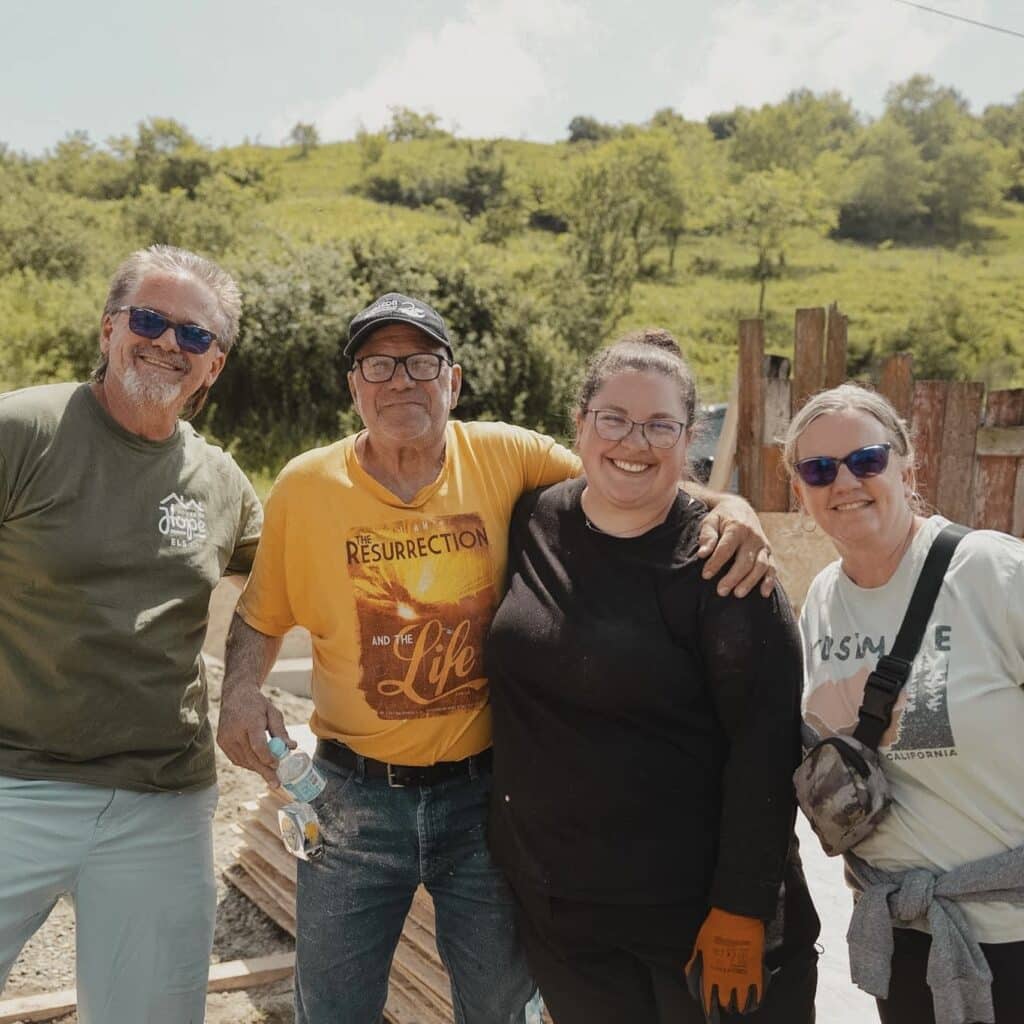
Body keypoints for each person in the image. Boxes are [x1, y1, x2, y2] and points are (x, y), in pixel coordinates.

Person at [216, 294, 778, 1024]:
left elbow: (631, 473)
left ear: (454, 382)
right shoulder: (305, 486)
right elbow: (259, 617)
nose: (401, 382)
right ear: (353, 386)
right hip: (348, 800)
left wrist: (730, 508)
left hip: (484, 803)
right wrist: (237, 690)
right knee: (332, 1008)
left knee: (498, 1008)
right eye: (378, 365)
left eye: (422, 363)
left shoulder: (507, 455)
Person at [486, 328, 820, 1024]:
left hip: (698, 922)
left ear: (689, 436)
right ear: (579, 425)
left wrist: (743, 905)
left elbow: (766, 746)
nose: (634, 442)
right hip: (567, 920)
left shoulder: (726, 565)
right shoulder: (533, 519)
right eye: (614, 419)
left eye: (659, 425)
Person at [0, 246, 262, 1023]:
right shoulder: (23, 431)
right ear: (110, 328)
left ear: (213, 366)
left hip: (161, 801)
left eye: (194, 336)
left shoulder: (222, 484)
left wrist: (245, 685)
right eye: (149, 320)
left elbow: (284, 589)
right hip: (14, 780)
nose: (167, 344)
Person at [784, 383, 1024, 1024]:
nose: (845, 482)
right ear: (800, 490)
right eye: (818, 469)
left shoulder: (991, 573)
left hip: (1014, 931)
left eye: (866, 460)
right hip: (905, 935)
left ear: (905, 462)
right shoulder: (822, 604)